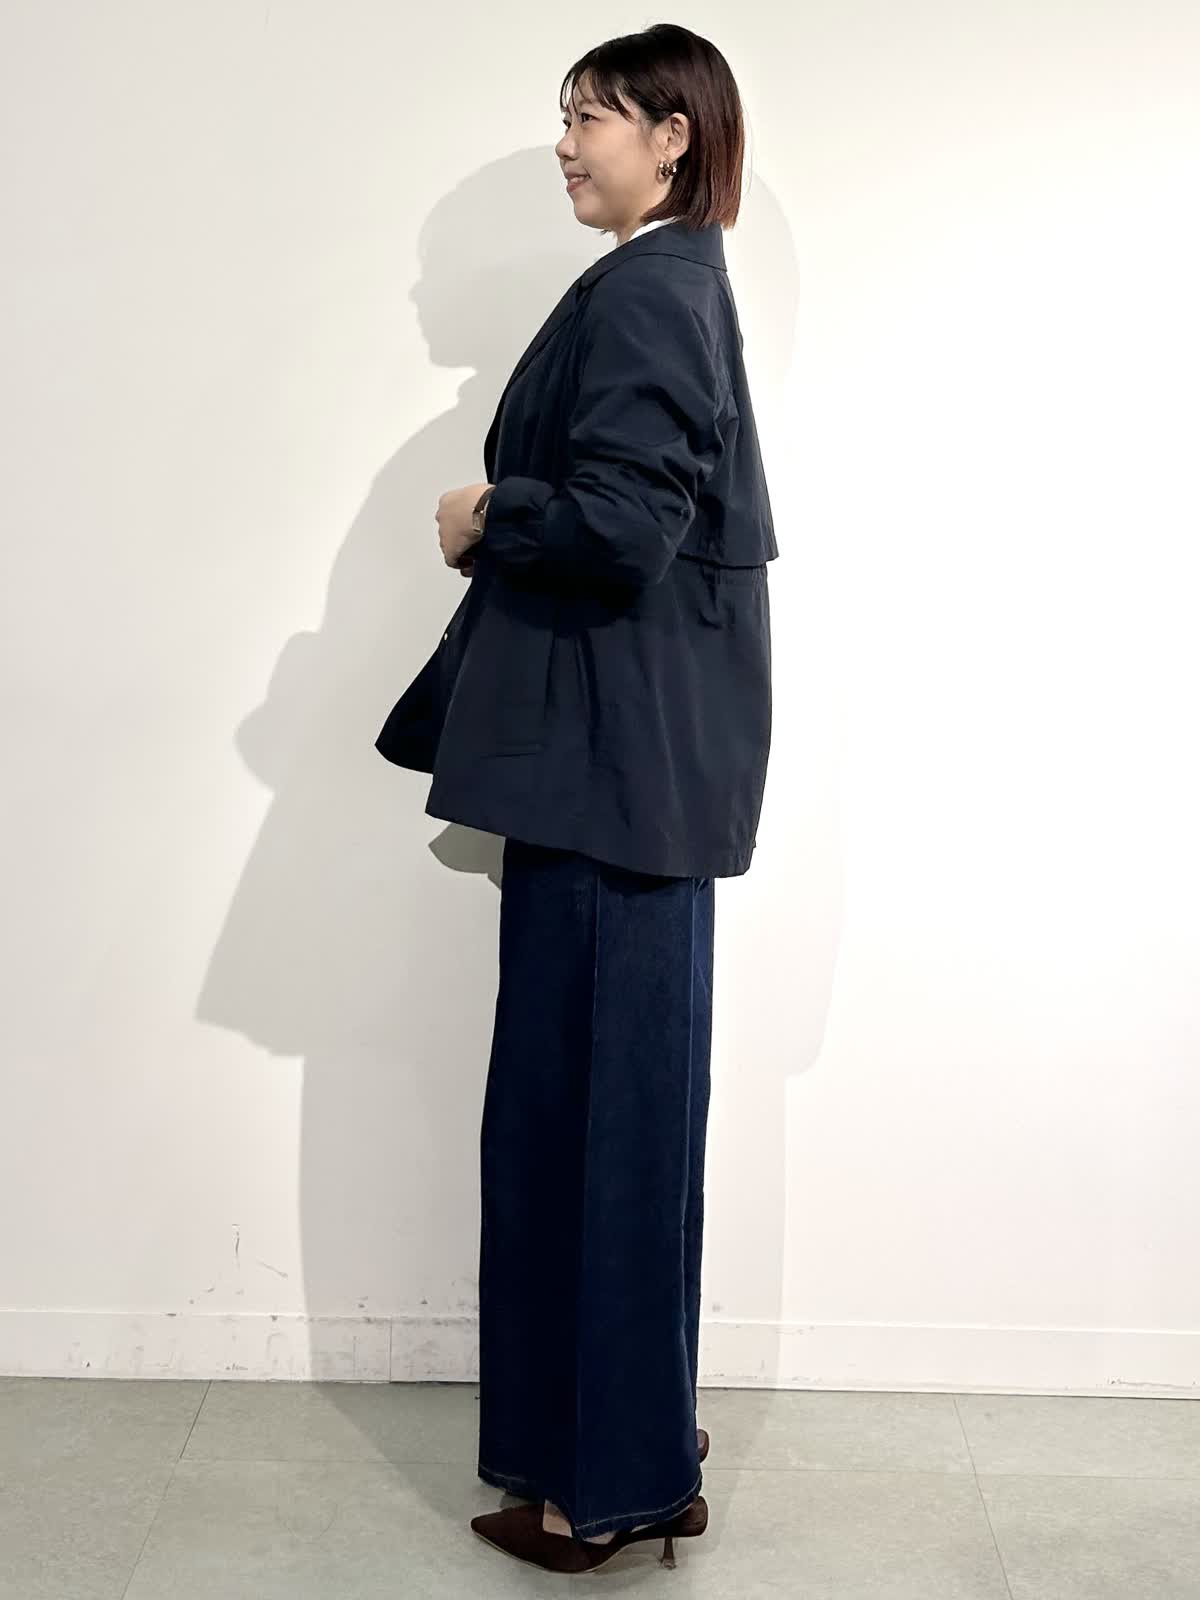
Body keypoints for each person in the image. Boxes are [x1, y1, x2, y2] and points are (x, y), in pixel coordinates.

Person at [375, 21, 777, 1576]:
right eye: (566, 115)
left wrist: (490, 512)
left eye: (593, 115)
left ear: (674, 136)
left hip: (613, 784)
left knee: (592, 1131)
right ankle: (632, 1454)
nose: (566, 141)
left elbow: (622, 524)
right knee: (609, 1128)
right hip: (625, 780)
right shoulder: (669, 283)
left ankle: (602, 1488)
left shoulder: (657, 289)